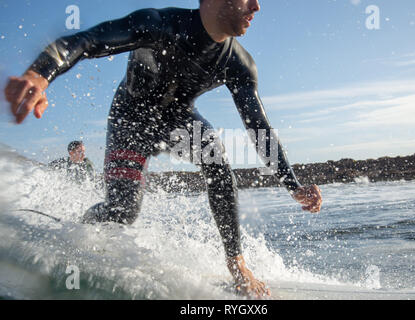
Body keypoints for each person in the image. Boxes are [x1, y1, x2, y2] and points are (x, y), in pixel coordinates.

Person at [4, 0, 322, 298]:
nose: (256, 6)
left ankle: (236, 263)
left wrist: (292, 185)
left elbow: (259, 128)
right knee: (122, 212)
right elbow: (88, 41)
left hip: (177, 122)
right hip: (131, 122)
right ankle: (77, 233)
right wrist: (40, 74)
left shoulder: (238, 63)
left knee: (218, 161)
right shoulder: (160, 24)